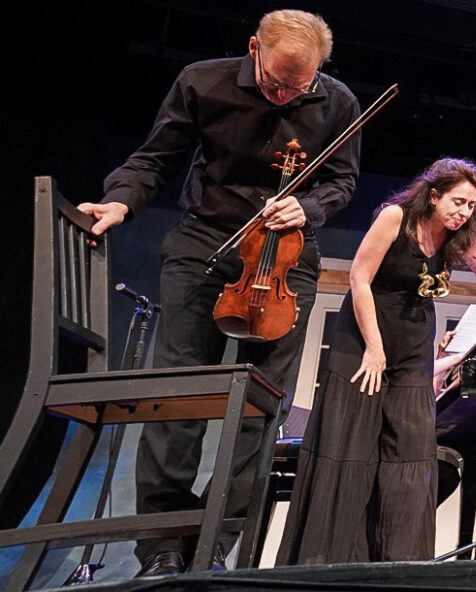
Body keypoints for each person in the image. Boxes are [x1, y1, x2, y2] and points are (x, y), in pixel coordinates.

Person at [76, 9, 361, 576]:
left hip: (285, 258)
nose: (284, 97)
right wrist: (122, 199)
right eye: (277, 82)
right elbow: (156, 157)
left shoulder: (339, 103)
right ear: (254, 47)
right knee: (179, 395)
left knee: (261, 409)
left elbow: (342, 181)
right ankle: (162, 546)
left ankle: (212, 547)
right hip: (205, 244)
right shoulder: (201, 80)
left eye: (298, 87)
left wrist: (308, 205)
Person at [276, 157, 476, 564]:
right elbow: (359, 278)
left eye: (470, 206)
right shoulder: (396, 218)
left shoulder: (460, 235)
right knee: (352, 445)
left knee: (410, 451)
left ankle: (398, 562)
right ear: (433, 194)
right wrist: (374, 348)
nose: (463, 212)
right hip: (364, 335)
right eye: (457, 202)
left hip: (412, 342)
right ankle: (331, 561)